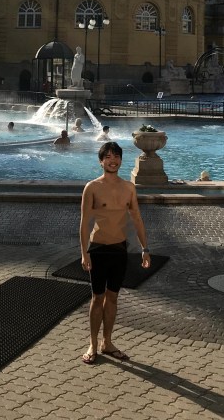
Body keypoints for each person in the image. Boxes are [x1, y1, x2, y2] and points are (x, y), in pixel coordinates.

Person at [80, 141, 150, 365]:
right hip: (98, 249)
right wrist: (84, 253)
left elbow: (137, 219)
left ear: (121, 159)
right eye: (108, 157)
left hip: (119, 249)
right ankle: (92, 344)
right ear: (101, 161)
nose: (113, 160)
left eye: (116, 156)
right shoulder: (92, 187)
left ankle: (107, 342)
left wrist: (145, 249)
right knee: (97, 298)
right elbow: (84, 223)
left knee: (112, 297)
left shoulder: (129, 188)